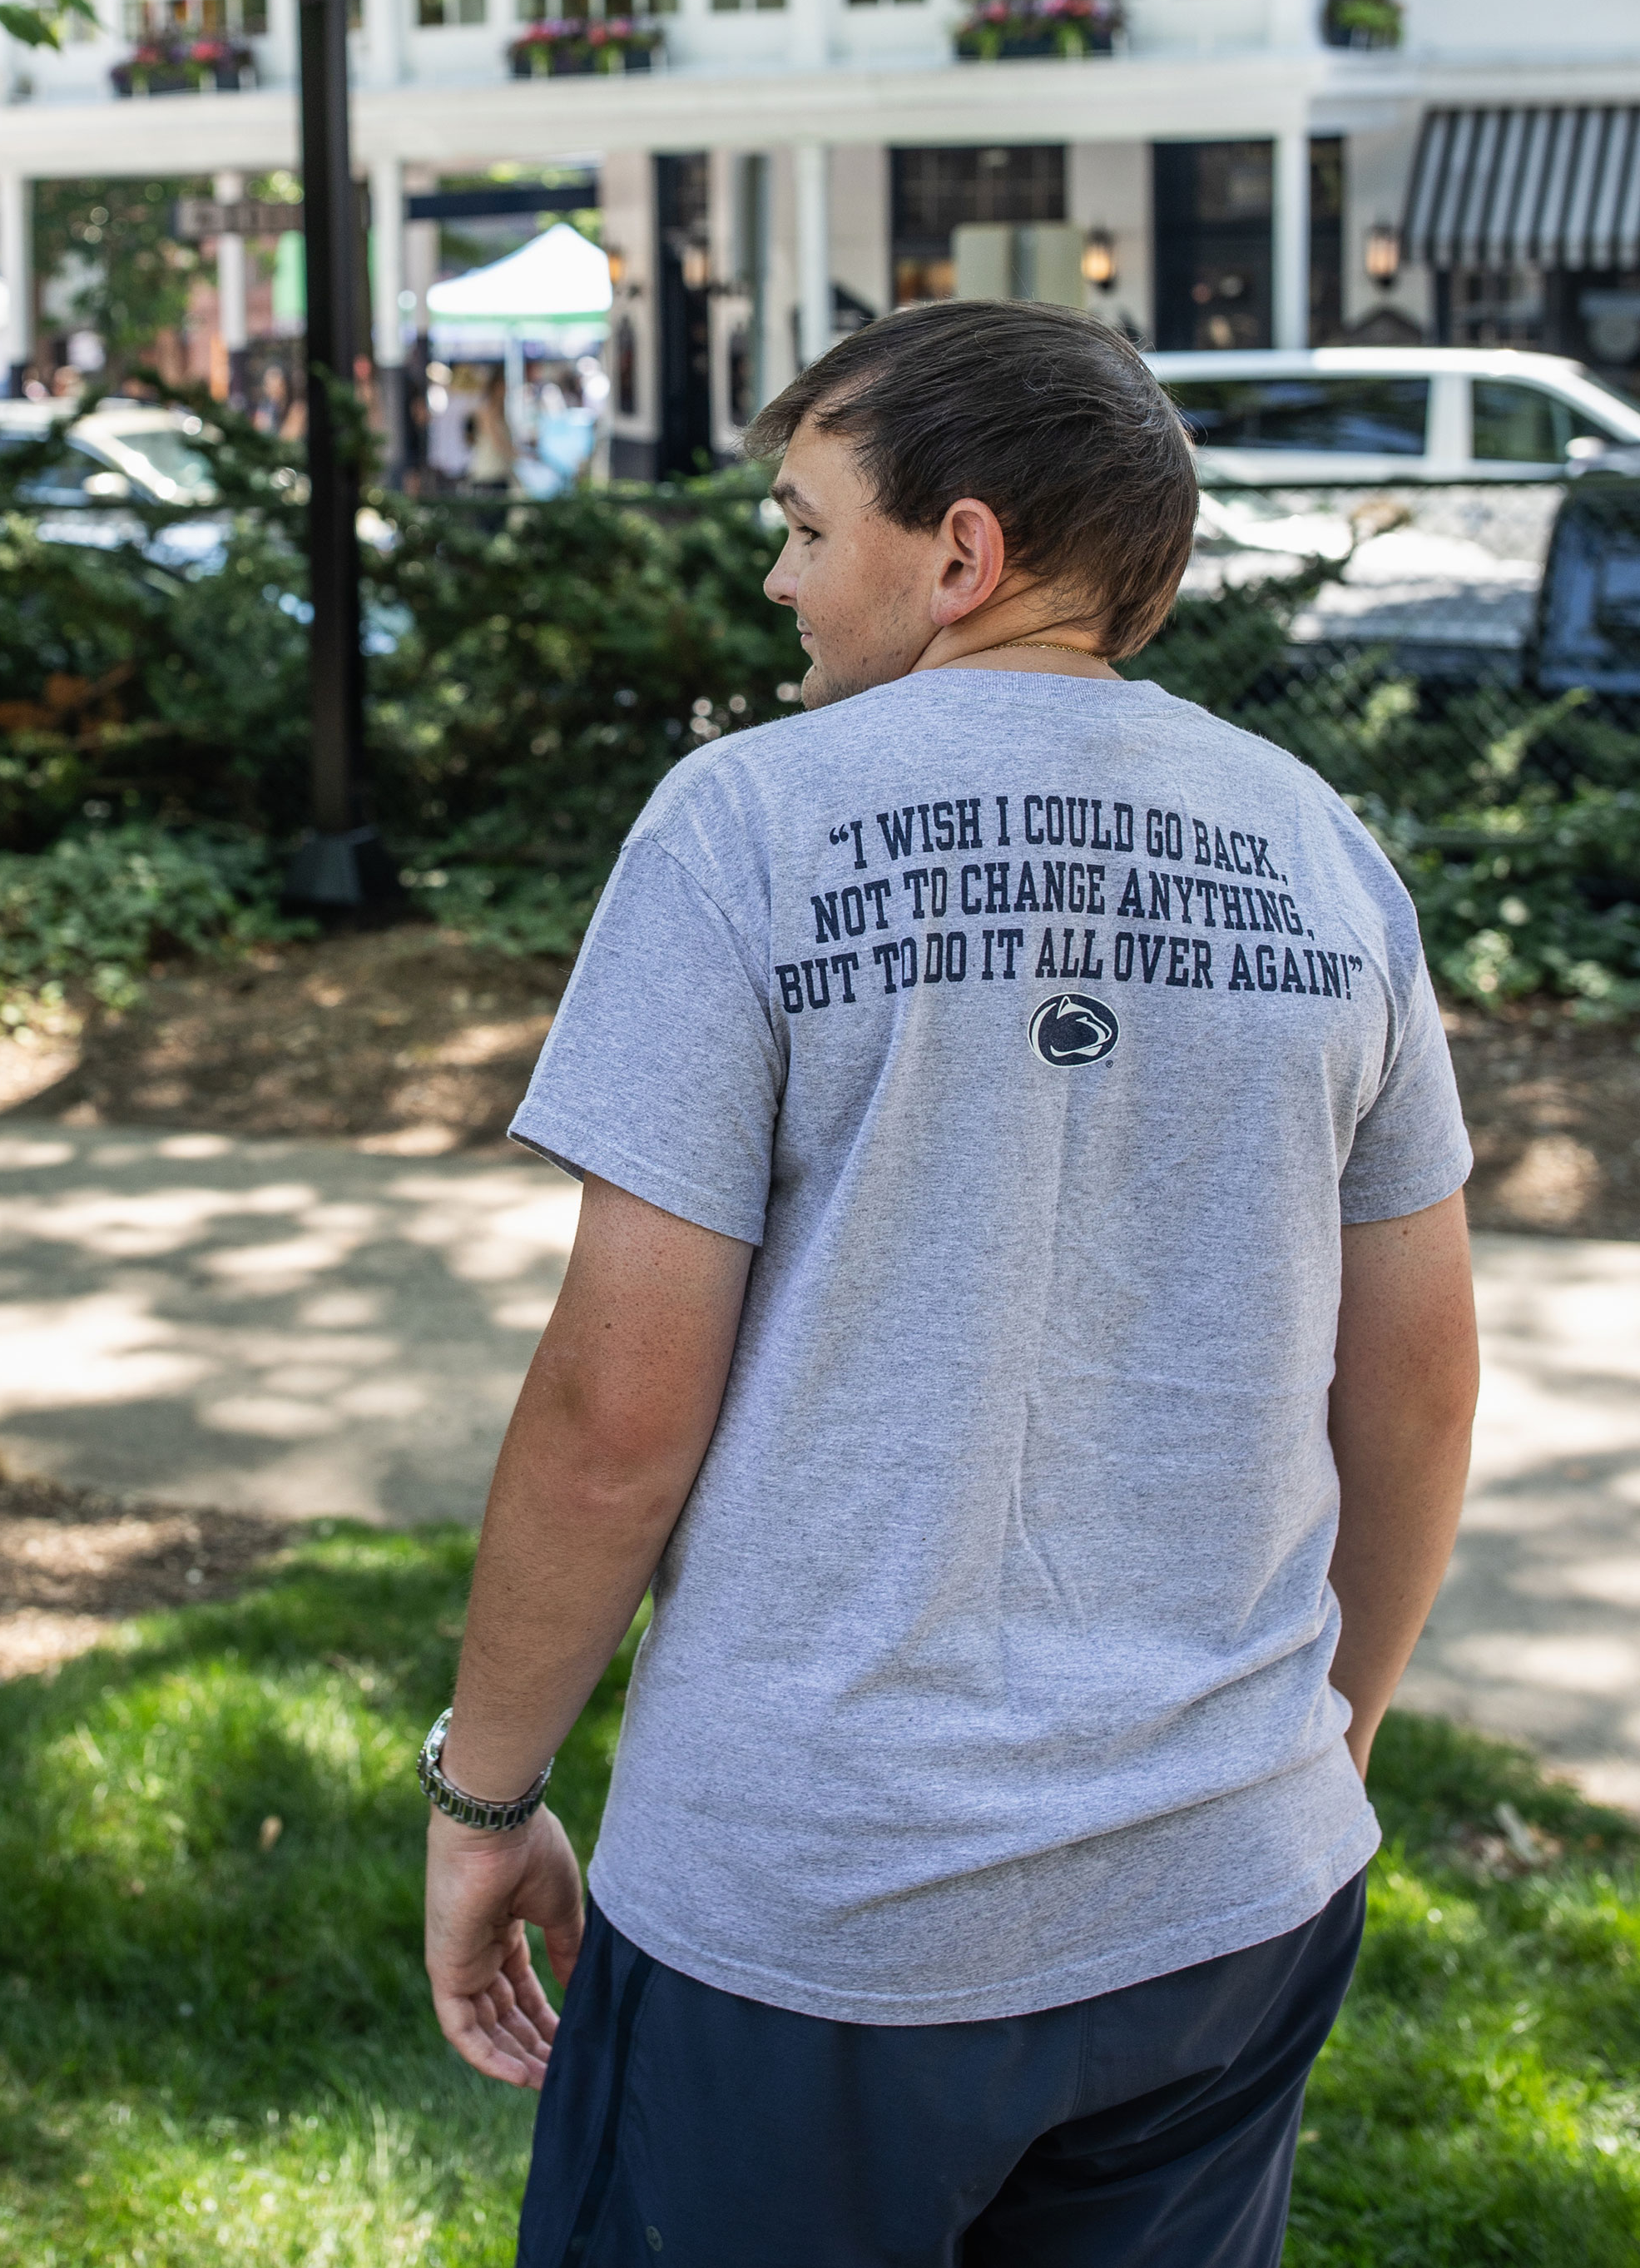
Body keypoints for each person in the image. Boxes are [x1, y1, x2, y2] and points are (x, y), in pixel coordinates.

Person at [422, 303, 1479, 2267]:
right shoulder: (1328, 858)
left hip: (819, 1913)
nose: (778, 575)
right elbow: (1417, 1391)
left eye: (809, 526)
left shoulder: (743, 823)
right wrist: (1338, 1725)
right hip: (1223, 1900)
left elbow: (611, 1427)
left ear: (962, 554)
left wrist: (484, 1800)